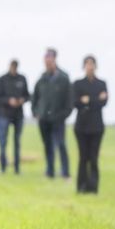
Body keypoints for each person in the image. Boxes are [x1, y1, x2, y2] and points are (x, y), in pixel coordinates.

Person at [32, 48, 72, 179]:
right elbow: (35, 97)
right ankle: (50, 171)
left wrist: (63, 115)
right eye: (45, 58)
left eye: (49, 58)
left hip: (58, 119)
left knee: (60, 144)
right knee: (47, 146)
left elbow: (69, 100)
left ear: (54, 59)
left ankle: (65, 172)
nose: (47, 61)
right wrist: (36, 112)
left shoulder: (63, 78)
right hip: (44, 118)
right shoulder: (42, 78)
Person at [73, 55, 108, 194]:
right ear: (84, 66)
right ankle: (81, 186)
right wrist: (96, 99)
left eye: (92, 64)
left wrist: (87, 100)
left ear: (95, 66)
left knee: (94, 158)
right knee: (83, 157)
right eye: (87, 64)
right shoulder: (77, 84)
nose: (90, 67)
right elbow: (75, 102)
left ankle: (93, 187)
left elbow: (104, 102)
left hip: (97, 127)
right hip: (81, 127)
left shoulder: (101, 84)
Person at [0, 60, 29, 174]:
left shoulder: (22, 79)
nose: (13, 69)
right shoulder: (2, 79)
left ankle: (17, 168)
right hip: (4, 114)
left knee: (17, 142)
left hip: (18, 114)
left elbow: (27, 95)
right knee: (3, 141)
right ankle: (3, 167)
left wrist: (22, 100)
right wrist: (9, 101)